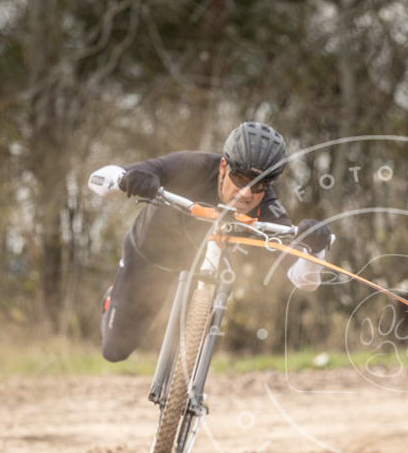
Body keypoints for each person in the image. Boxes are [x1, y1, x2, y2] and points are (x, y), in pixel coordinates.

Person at [99, 121, 331, 362]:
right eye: (239, 178)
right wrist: (129, 179)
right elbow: (100, 180)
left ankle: (188, 391)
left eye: (259, 184)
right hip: (148, 256)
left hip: (202, 270)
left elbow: (303, 280)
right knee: (115, 351)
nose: (246, 193)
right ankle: (112, 297)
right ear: (223, 166)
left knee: (193, 343)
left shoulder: (269, 208)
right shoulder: (192, 166)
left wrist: (316, 251)